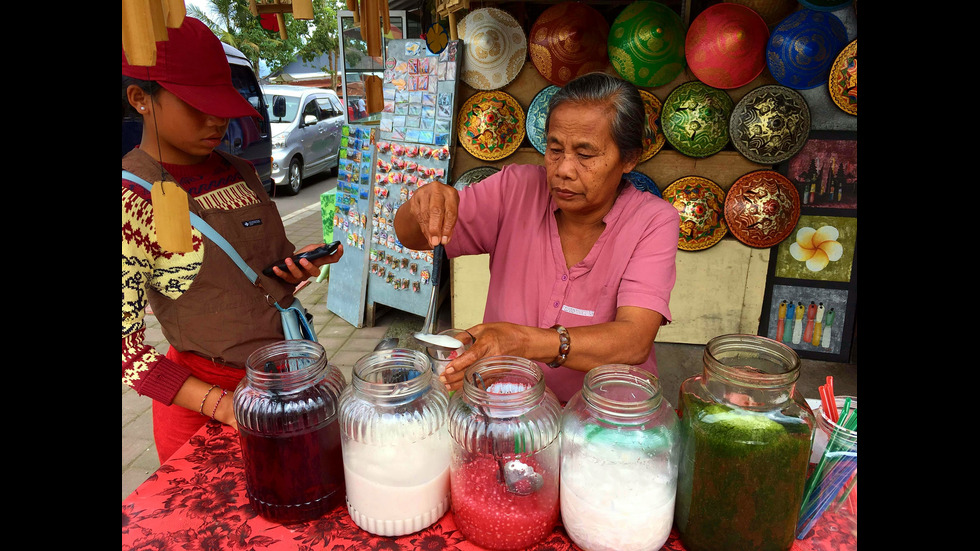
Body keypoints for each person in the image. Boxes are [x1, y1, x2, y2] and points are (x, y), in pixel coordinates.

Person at [121, 17, 343, 463]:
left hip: (285, 382)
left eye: (222, 105)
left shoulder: (239, 171)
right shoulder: (131, 199)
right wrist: (223, 406)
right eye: (196, 105)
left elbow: (264, 269)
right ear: (140, 99)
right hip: (204, 406)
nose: (216, 120)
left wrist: (298, 266)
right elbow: (127, 349)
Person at [394, 72, 680, 402]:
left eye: (585, 155)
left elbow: (634, 339)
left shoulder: (653, 220)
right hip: (508, 409)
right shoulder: (514, 189)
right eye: (555, 149)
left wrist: (523, 341)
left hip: (603, 420)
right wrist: (422, 205)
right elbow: (412, 237)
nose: (564, 169)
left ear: (629, 158)